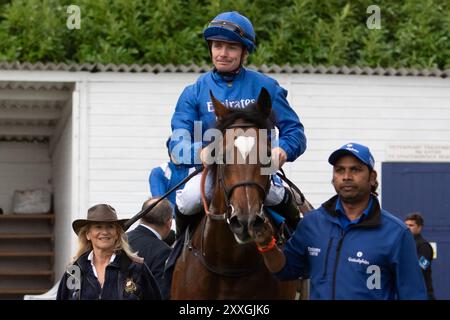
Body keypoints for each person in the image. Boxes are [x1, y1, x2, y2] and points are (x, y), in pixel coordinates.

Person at [168, 11, 307, 236]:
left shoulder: (268, 87)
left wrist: (283, 150)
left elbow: (295, 132)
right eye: (217, 46)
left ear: (244, 52)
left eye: (231, 47)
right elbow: (176, 142)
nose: (223, 54)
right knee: (188, 200)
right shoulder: (193, 92)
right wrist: (199, 152)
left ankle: (296, 252)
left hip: (259, 169)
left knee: (279, 197)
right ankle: (175, 255)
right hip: (212, 172)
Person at [253, 142, 427, 299]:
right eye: (340, 170)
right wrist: (267, 245)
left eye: (355, 169)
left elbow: (413, 294)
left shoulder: (396, 233)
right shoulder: (311, 224)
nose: (346, 176)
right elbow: (284, 271)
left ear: (372, 177)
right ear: (333, 177)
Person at [56, 204, 162, 300]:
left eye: (110, 227)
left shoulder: (135, 268)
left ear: (117, 233)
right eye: (98, 227)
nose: (105, 232)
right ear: (88, 234)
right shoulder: (75, 270)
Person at [127, 198, 173, 300]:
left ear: (141, 217)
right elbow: (161, 294)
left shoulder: (122, 239)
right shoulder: (163, 251)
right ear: (169, 223)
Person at [405, 212, 436, 300]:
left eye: (411, 225)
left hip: (422, 293)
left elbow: (421, 267)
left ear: (419, 227)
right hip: (407, 293)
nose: (407, 227)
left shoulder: (424, 246)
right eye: (406, 225)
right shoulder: (404, 244)